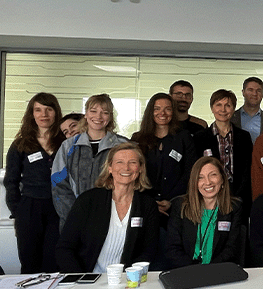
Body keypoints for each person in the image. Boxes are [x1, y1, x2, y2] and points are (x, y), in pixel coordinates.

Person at [55, 142, 159, 273]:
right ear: (110, 167)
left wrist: (131, 277)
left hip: (127, 281)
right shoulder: (88, 201)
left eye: (132, 162)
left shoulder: (148, 205)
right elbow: (65, 248)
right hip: (87, 280)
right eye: (119, 162)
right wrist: (81, 279)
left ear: (140, 168)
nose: (126, 168)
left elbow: (149, 250)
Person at [4, 93, 65, 273]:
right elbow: (11, 181)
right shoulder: (20, 145)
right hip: (29, 208)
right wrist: (18, 211)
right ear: (31, 114)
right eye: (38, 110)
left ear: (56, 112)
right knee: (30, 261)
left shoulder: (65, 143)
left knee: (54, 262)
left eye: (48, 109)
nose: (43, 114)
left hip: (58, 208)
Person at [52, 94, 129, 231]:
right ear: (86, 114)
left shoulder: (123, 146)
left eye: (105, 112)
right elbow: (59, 185)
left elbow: (130, 184)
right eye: (93, 111)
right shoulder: (68, 146)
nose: (98, 117)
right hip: (74, 222)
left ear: (110, 117)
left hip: (113, 223)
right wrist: (76, 216)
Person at [165, 157, 242, 268]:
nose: (208, 182)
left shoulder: (234, 207)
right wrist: (195, 270)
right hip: (186, 272)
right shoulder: (180, 206)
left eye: (213, 175)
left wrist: (209, 270)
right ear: (194, 183)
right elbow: (172, 249)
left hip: (219, 272)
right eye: (200, 177)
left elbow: (231, 249)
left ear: (222, 179)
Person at [132, 93, 196, 222]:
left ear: (173, 111)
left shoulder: (184, 137)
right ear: (151, 111)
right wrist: (150, 202)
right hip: (144, 204)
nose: (162, 113)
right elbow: (134, 173)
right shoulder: (138, 139)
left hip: (177, 204)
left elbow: (190, 171)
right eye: (157, 109)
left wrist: (172, 199)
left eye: (168, 108)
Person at [193, 89, 253, 214]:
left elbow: (247, 169)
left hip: (238, 197)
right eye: (218, 105)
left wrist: (237, 195)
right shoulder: (199, 138)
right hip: (209, 196)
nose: (223, 110)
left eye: (228, 105)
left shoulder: (244, 137)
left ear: (234, 109)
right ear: (212, 108)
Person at [232, 77, 263, 143]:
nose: (254, 94)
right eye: (250, 90)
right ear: (243, 92)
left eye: (258, 90)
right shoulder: (231, 117)